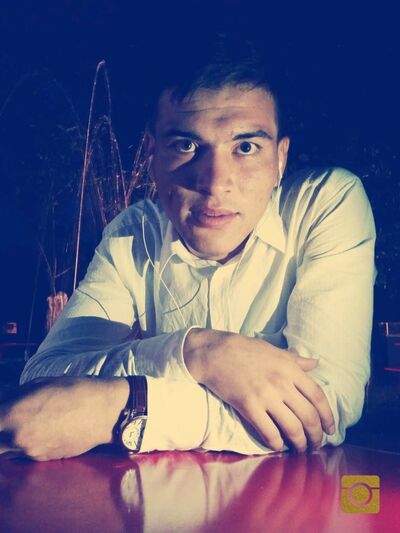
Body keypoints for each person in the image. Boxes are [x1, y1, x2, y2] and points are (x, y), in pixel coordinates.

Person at [0, 37, 375, 461]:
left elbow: (321, 409)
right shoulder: (133, 234)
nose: (214, 183)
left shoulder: (327, 205)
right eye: (186, 145)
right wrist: (198, 352)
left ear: (280, 160)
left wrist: (120, 408)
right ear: (151, 155)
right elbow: (44, 377)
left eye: (245, 147)